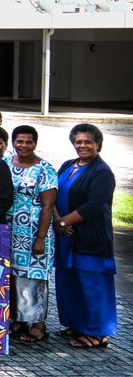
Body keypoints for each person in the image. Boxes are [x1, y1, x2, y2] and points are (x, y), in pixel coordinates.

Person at [53, 123, 116, 350]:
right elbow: (53, 192)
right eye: (78, 142)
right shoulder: (68, 165)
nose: (82, 146)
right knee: (70, 282)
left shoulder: (102, 172)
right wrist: (56, 219)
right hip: (66, 235)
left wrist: (62, 222)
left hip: (90, 237)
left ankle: (97, 333)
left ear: (98, 144)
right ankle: (77, 323)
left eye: (88, 142)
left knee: (92, 284)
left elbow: (93, 206)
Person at [5, 125, 57, 343]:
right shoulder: (6, 164)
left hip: (35, 232)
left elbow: (48, 207)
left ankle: (39, 325)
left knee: (34, 278)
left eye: (28, 142)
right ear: (13, 143)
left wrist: (41, 238)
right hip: (10, 230)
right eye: (19, 141)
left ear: (35, 143)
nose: (23, 145)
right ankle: (18, 319)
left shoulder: (45, 169)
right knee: (14, 277)